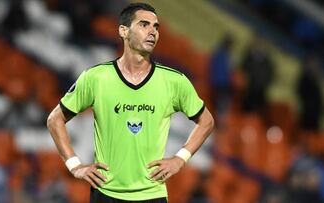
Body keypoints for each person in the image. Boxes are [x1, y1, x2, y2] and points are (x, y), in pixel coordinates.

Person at [47, 2, 214, 203]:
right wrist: (75, 165)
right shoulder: (97, 77)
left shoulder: (174, 81)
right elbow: (55, 119)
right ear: (124, 31)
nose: (152, 31)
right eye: (144, 25)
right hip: (106, 193)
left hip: (152, 196)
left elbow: (207, 121)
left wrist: (180, 159)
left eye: (156, 27)